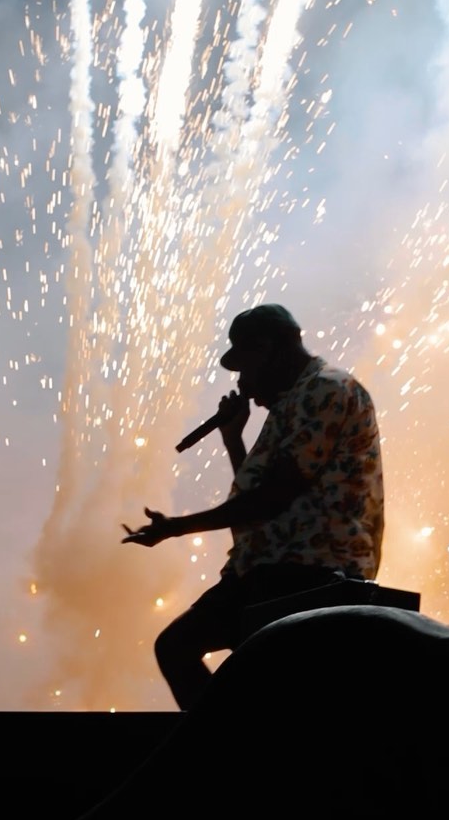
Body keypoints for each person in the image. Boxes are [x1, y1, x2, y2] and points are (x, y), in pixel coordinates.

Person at [122, 303, 384, 710]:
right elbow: (263, 497)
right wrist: (233, 438)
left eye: (244, 367)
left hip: (309, 572)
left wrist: (176, 527)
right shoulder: (293, 402)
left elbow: (273, 498)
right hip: (274, 569)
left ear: (269, 349)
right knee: (178, 649)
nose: (243, 383)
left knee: (182, 649)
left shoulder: (324, 391)